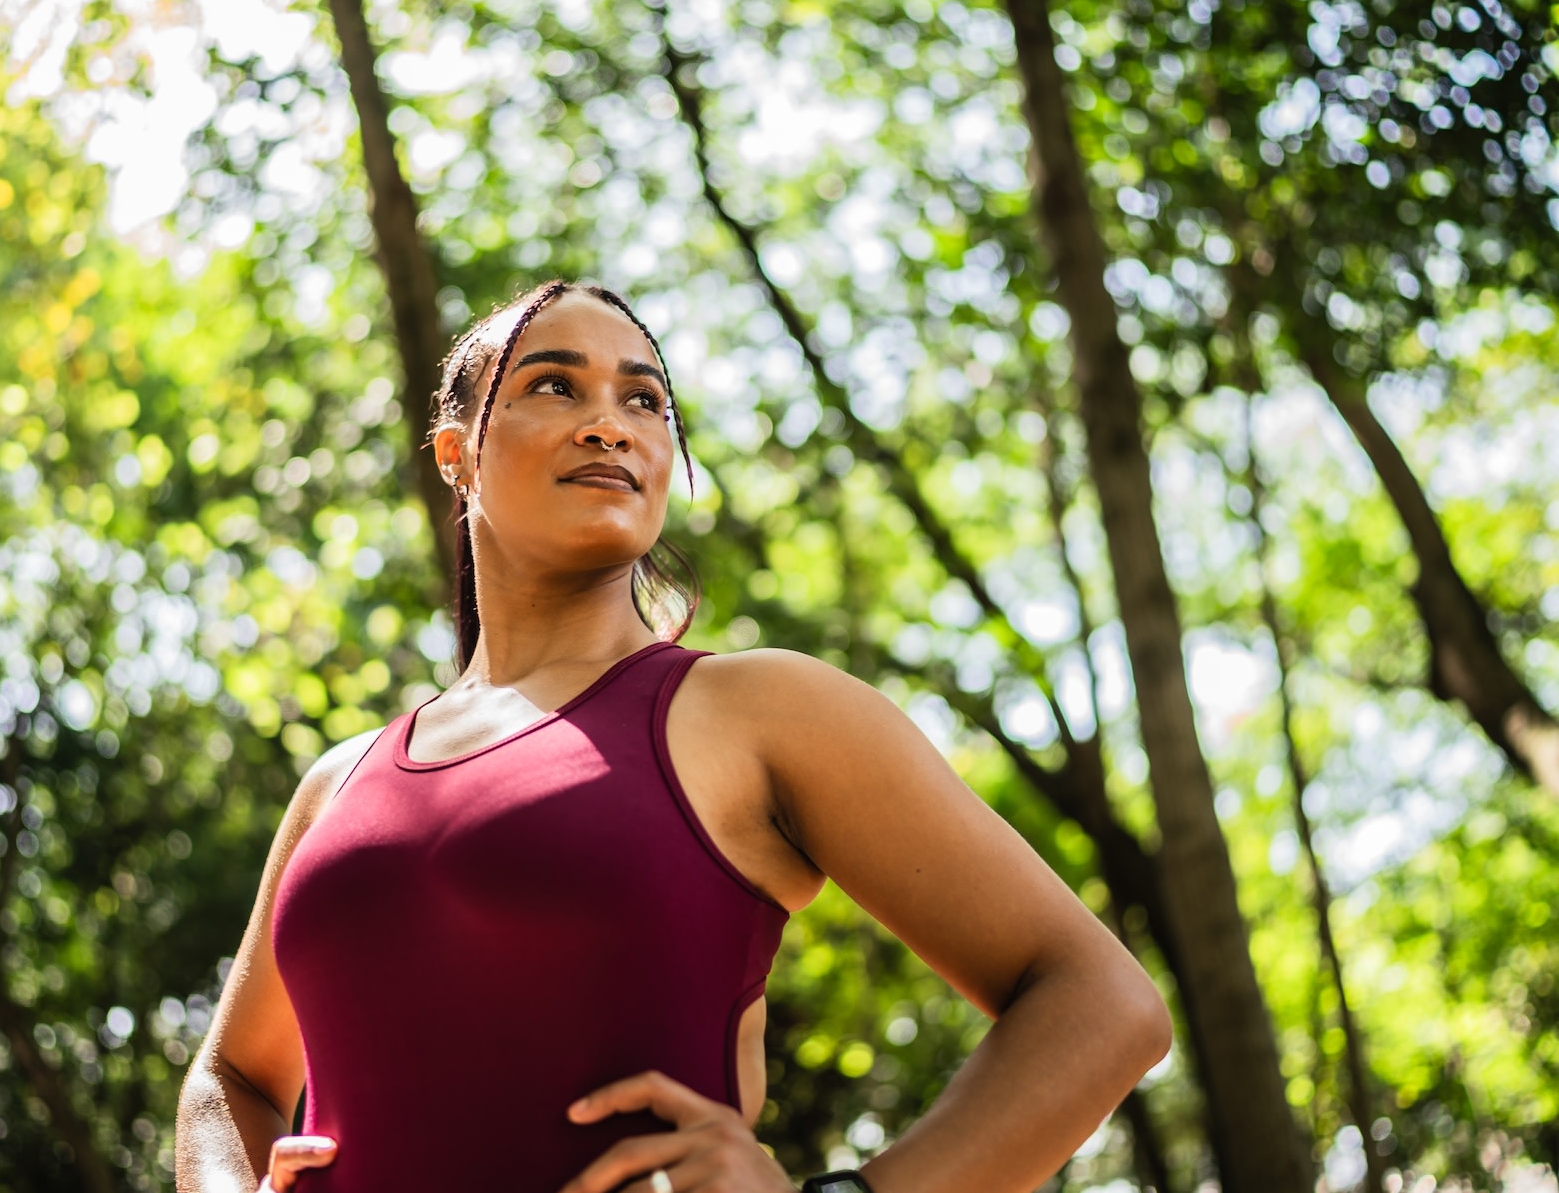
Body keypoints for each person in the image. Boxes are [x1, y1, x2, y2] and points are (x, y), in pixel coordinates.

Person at [175, 280, 1172, 1193]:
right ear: (457, 454)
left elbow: (1101, 1001)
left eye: (645, 400)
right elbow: (228, 1075)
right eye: (554, 385)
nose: (609, 422)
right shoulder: (339, 782)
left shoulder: (761, 710)